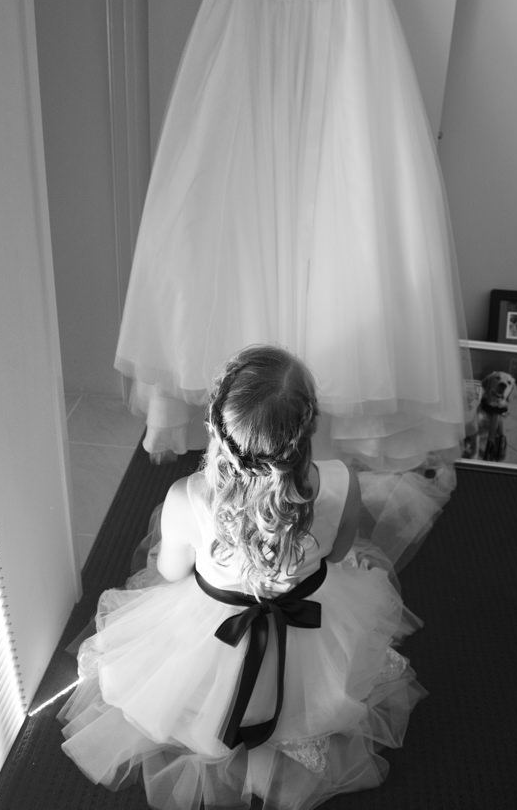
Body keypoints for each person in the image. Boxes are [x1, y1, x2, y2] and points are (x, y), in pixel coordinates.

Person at [114, 0, 468, 472]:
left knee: (344, 217)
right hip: (246, 50)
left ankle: (311, 428)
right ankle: (253, 418)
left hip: (347, 48)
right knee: (231, 222)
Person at [59, 345, 425, 810]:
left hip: (214, 632)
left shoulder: (186, 497)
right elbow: (337, 555)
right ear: (309, 428)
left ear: (216, 427)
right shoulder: (340, 481)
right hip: (309, 626)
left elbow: (171, 571)